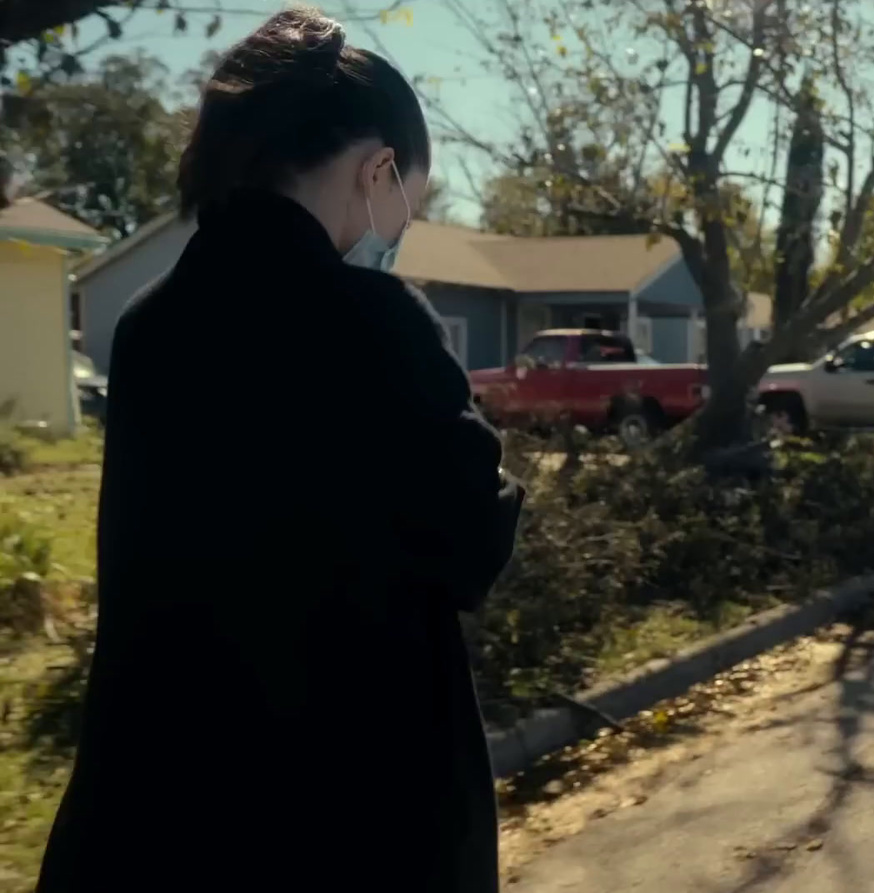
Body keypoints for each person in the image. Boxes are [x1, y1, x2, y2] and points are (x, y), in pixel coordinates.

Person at [37, 9, 524, 892]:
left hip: (155, 813)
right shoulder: (371, 319)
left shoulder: (150, 326)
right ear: (378, 170)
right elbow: (471, 544)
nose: (402, 225)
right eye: (410, 198)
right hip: (345, 819)